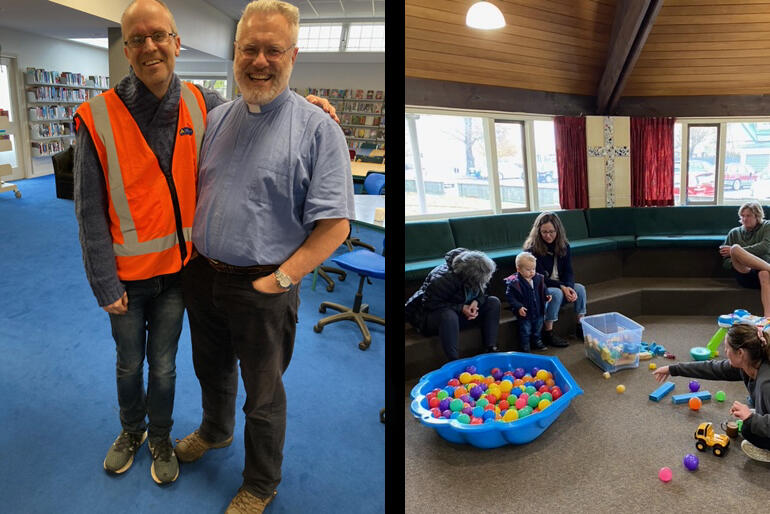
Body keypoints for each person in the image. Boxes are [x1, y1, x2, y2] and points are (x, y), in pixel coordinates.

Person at [73, 0, 334, 486]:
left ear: (177, 43)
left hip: (184, 276)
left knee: (172, 368)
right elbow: (88, 209)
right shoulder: (100, 117)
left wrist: (309, 105)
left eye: (159, 37)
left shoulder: (202, 102)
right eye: (136, 39)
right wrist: (103, 281)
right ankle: (138, 431)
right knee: (134, 364)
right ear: (126, 49)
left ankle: (175, 443)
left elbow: (270, 103)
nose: (149, 47)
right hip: (137, 279)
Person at [173, 2, 354, 512]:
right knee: (210, 369)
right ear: (235, 53)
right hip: (203, 275)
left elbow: (335, 225)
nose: (260, 60)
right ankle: (214, 431)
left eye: (273, 50)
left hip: (264, 285)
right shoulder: (217, 117)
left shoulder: (319, 129)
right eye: (249, 49)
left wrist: (281, 279)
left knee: (264, 395)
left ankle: (260, 482)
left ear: (292, 54)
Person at [652, 323, 770, 462]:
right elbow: (712, 368)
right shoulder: (749, 364)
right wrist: (673, 369)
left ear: (740, 353)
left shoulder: (765, 384)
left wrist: (751, 419)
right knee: (751, 414)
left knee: (747, 430)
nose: (725, 352)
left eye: (727, 348)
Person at [405, 248, 501, 361]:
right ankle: (454, 360)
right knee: (448, 315)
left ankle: (490, 348)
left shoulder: (479, 273)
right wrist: (461, 308)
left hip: (461, 315)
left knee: (493, 302)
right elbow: (430, 304)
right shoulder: (443, 279)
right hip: (431, 319)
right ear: (470, 277)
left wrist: (476, 302)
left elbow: (483, 293)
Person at [523, 211, 587, 348]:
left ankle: (580, 327)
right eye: (544, 232)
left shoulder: (564, 246)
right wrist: (562, 287)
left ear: (558, 230)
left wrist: (569, 286)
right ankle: (548, 333)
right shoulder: (532, 249)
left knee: (580, 288)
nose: (548, 235)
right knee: (556, 292)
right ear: (538, 231)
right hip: (539, 288)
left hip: (561, 285)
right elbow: (538, 277)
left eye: (552, 232)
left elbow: (569, 271)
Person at [720, 201, 770, 317]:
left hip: (763, 269)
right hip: (744, 271)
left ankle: (768, 316)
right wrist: (737, 257)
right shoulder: (734, 233)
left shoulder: (767, 226)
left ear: (757, 216)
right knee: (735, 249)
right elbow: (725, 262)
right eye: (742, 216)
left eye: (748, 216)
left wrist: (743, 252)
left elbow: (766, 247)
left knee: (764, 273)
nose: (744, 219)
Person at [504, 252, 551, 352]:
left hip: (538, 310)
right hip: (525, 313)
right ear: (519, 269)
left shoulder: (538, 278)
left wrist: (547, 294)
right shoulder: (514, 282)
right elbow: (510, 296)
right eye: (528, 270)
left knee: (538, 328)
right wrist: (518, 306)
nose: (532, 272)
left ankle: (537, 341)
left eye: (533, 269)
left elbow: (543, 288)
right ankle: (525, 346)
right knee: (525, 331)